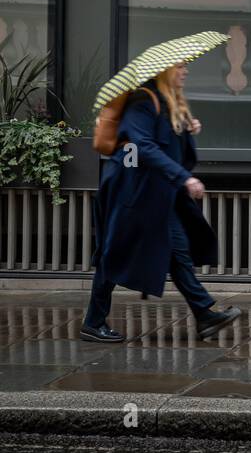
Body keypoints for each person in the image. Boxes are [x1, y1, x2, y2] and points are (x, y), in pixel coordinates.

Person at [81, 62, 240, 343]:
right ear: (165, 71)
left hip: (156, 193)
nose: (185, 71)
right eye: (180, 67)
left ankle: (204, 314)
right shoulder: (143, 100)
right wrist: (184, 178)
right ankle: (93, 322)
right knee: (114, 253)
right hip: (129, 191)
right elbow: (142, 146)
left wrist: (187, 130)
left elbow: (164, 141)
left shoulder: (168, 103)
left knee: (177, 250)